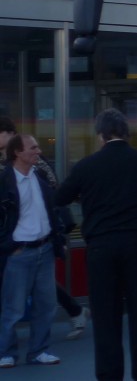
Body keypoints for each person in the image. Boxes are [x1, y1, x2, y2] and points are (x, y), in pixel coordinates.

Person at [54, 109, 137, 381]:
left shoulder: (87, 166)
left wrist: (88, 198)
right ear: (126, 133)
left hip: (101, 247)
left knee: (106, 318)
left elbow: (60, 197)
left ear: (100, 136)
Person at [0, 116, 88, 340]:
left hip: (44, 225)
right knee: (30, 280)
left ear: (9, 134)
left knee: (36, 281)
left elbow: (52, 187)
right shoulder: (6, 159)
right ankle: (74, 310)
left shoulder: (31, 158)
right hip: (18, 231)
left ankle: (73, 311)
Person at [0, 132, 65, 368]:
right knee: (13, 308)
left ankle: (39, 350)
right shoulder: (4, 181)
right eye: (33, 148)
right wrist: (9, 247)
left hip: (44, 248)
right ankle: (6, 352)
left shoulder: (40, 176)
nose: (38, 151)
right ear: (17, 152)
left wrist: (57, 238)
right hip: (19, 252)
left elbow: (54, 208)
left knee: (45, 305)